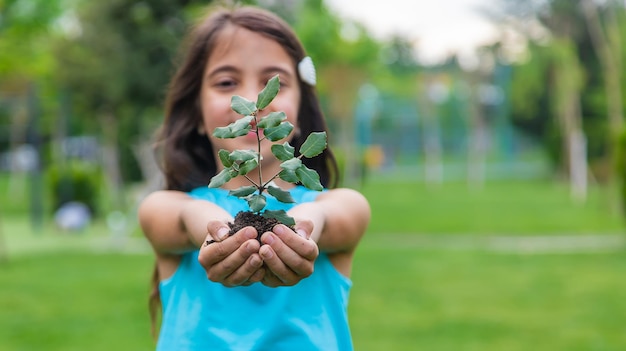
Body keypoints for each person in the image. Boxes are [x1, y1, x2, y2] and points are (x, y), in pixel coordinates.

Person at [138, 5, 370, 351]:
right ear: (198, 115)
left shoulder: (334, 205)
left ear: (301, 115)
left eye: (272, 83)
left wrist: (302, 230)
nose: (252, 100)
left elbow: (335, 215)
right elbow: (185, 219)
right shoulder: (169, 207)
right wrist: (217, 229)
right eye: (227, 82)